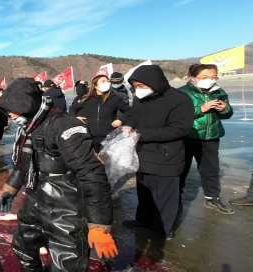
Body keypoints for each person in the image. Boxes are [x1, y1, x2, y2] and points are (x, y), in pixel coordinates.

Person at [0, 78, 116, 272]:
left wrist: (99, 225)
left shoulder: (64, 125)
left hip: (66, 209)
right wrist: (10, 187)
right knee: (23, 246)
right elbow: (24, 164)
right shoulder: (29, 126)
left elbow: (91, 174)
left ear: (28, 105)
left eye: (14, 111)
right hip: (35, 201)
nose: (12, 116)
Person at [123, 65, 193, 238]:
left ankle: (164, 229)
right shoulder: (141, 98)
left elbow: (180, 129)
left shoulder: (179, 100)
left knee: (165, 198)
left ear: (154, 82)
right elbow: (133, 115)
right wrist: (127, 124)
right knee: (144, 192)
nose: (138, 90)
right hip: (142, 155)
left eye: (141, 85)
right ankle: (144, 220)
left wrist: (141, 134)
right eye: (135, 86)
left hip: (166, 157)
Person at [178, 64, 234, 214]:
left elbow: (228, 113)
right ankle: (175, 198)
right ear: (192, 77)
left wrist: (225, 108)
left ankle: (212, 198)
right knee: (180, 168)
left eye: (214, 77)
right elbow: (176, 115)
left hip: (211, 136)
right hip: (188, 136)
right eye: (205, 77)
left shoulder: (219, 91)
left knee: (211, 169)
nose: (210, 80)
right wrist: (201, 109)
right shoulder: (181, 93)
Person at [70, 74, 130, 152]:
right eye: (103, 81)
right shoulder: (86, 99)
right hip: (88, 138)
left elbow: (129, 111)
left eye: (108, 81)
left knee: (105, 162)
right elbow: (72, 109)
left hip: (108, 138)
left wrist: (121, 120)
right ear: (95, 85)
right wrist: (75, 118)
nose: (107, 83)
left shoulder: (114, 98)